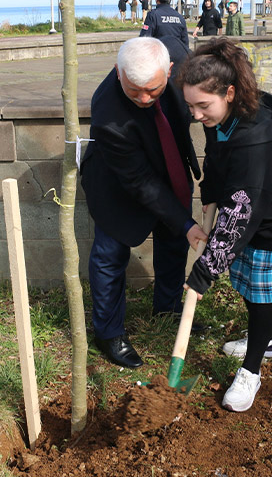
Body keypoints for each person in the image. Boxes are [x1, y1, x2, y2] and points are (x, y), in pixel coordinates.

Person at [177, 38, 272, 412]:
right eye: (190, 106)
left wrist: (204, 273)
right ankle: (267, 337)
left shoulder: (255, 141)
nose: (196, 115)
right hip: (256, 201)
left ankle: (252, 370)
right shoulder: (223, 116)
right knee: (248, 279)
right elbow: (217, 155)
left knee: (261, 291)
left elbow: (239, 218)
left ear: (229, 93)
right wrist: (211, 190)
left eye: (203, 106)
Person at [81, 37, 205, 369]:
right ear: (118, 72)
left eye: (153, 89)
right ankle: (108, 332)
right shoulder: (108, 114)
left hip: (169, 166)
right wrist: (186, 223)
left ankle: (168, 307)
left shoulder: (183, 68)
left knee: (174, 240)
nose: (145, 98)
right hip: (117, 183)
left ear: (170, 71)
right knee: (109, 255)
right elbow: (140, 181)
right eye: (134, 91)